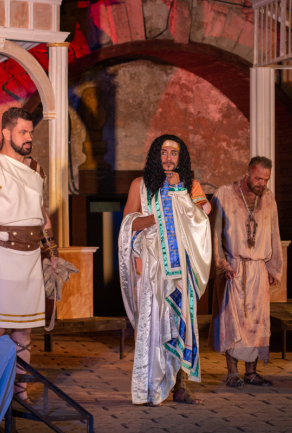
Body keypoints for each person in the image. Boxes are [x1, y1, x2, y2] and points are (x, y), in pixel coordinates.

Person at [0, 107, 59, 401]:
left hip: (31, 259)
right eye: (23, 132)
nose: (28, 137)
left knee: (24, 332)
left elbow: (42, 216)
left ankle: (19, 393)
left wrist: (53, 254)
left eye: (30, 132)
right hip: (1, 257)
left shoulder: (36, 170)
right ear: (6, 133)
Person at [119, 135, 212, 406]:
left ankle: (181, 387)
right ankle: (151, 389)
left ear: (180, 158)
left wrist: (180, 192)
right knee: (153, 329)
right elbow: (128, 225)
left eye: (174, 153)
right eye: (163, 152)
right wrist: (158, 218)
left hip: (181, 270)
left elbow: (201, 219)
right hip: (150, 272)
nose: (168, 158)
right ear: (155, 156)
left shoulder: (190, 186)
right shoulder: (139, 185)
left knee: (181, 326)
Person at [209, 156, 283, 389]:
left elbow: (274, 232)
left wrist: (273, 267)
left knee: (256, 322)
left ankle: (251, 372)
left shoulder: (268, 198)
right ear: (248, 173)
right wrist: (222, 263)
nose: (262, 183)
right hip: (234, 267)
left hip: (258, 268)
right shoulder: (224, 195)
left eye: (266, 179)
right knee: (233, 321)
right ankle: (232, 373)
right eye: (258, 178)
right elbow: (213, 233)